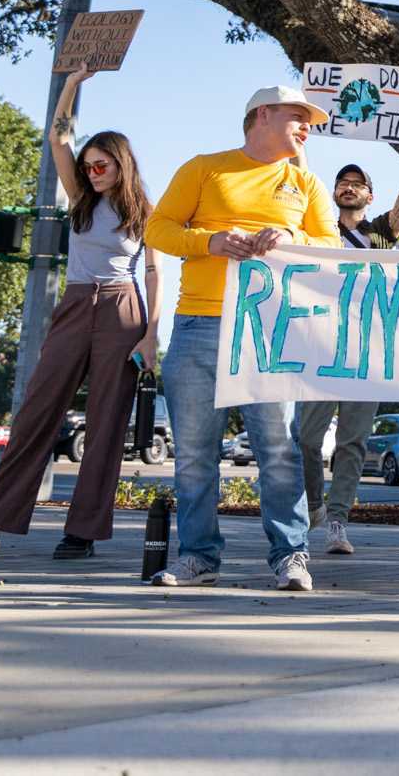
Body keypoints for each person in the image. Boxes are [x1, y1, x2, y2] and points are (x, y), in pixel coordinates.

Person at [0, 71, 160, 561]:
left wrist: (150, 336)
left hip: (124, 308)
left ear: (122, 165)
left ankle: (81, 533)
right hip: (77, 303)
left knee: (106, 422)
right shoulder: (79, 200)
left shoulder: (144, 210)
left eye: (102, 165)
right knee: (38, 410)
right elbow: (59, 136)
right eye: (89, 165)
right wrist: (74, 81)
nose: (94, 171)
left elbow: (154, 271)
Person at [145, 84, 339, 590]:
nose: (306, 127)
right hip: (198, 325)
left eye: (310, 121)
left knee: (277, 449)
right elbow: (158, 229)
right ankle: (198, 558)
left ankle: (291, 557)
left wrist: (292, 238)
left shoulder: (307, 183)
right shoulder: (205, 167)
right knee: (192, 453)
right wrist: (208, 241)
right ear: (262, 115)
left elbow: (331, 245)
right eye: (298, 117)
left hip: (270, 331)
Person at [297, 111, 399, 557]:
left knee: (352, 443)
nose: (349, 186)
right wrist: (297, 138)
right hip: (320, 348)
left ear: (369, 196)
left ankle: (337, 520)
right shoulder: (318, 230)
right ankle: (315, 505)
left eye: (358, 183)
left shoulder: (378, 235)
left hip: (364, 352)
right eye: (343, 181)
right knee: (305, 438)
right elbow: (297, 177)